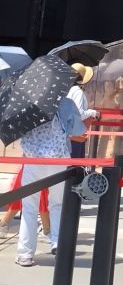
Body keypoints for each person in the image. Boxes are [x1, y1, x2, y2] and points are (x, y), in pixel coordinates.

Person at [14, 66, 90, 267]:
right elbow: (78, 131)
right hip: (58, 160)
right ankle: (57, 243)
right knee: (57, 204)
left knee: (29, 207)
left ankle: (25, 253)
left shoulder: (27, 103)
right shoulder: (66, 103)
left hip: (33, 161)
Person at [61, 65, 99, 160]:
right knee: (76, 164)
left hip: (66, 134)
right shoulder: (78, 92)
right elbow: (79, 114)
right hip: (75, 135)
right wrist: (93, 113)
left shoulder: (66, 90)